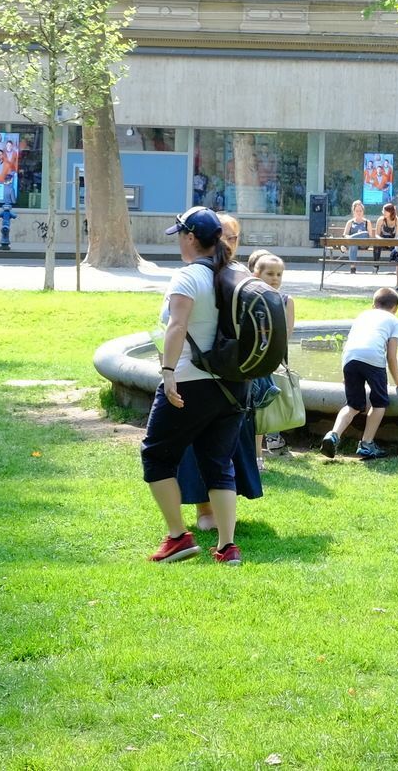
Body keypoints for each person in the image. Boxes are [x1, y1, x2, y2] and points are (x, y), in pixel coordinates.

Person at [141, 206, 244, 566]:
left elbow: (176, 326)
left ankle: (177, 537)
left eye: (180, 236)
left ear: (189, 238)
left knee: (155, 455)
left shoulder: (187, 277)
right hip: (234, 384)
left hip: (190, 379)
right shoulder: (238, 272)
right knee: (218, 462)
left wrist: (167, 372)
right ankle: (227, 546)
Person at [181, 217, 260, 541]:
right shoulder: (202, 275)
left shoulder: (239, 276)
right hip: (202, 373)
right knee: (202, 446)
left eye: (236, 237)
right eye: (226, 236)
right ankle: (205, 511)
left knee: (227, 446)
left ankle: (223, 516)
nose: (231, 242)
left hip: (233, 373)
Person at [320, 286, 398, 460]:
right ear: (395, 308)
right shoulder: (394, 320)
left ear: (373, 304)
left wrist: (345, 375)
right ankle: (367, 444)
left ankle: (333, 435)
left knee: (353, 405)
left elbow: (350, 344)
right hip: (373, 359)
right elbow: (391, 356)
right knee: (379, 403)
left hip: (350, 358)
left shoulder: (363, 316)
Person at [249, 250, 295, 454]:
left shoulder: (285, 300)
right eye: (270, 274)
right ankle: (256, 455)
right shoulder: (249, 297)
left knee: (267, 403)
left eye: (279, 274)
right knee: (255, 407)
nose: (275, 278)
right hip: (251, 360)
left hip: (272, 360)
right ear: (256, 274)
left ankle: (265, 448)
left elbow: (286, 333)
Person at [343, 199, 372, 274]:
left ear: (363, 211)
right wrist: (352, 238)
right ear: (354, 212)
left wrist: (351, 238)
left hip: (364, 243)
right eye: (357, 211)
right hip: (353, 243)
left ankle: (351, 239)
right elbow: (345, 234)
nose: (359, 213)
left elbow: (370, 236)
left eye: (360, 211)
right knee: (353, 243)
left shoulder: (367, 222)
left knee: (365, 233)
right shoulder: (350, 222)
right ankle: (353, 267)